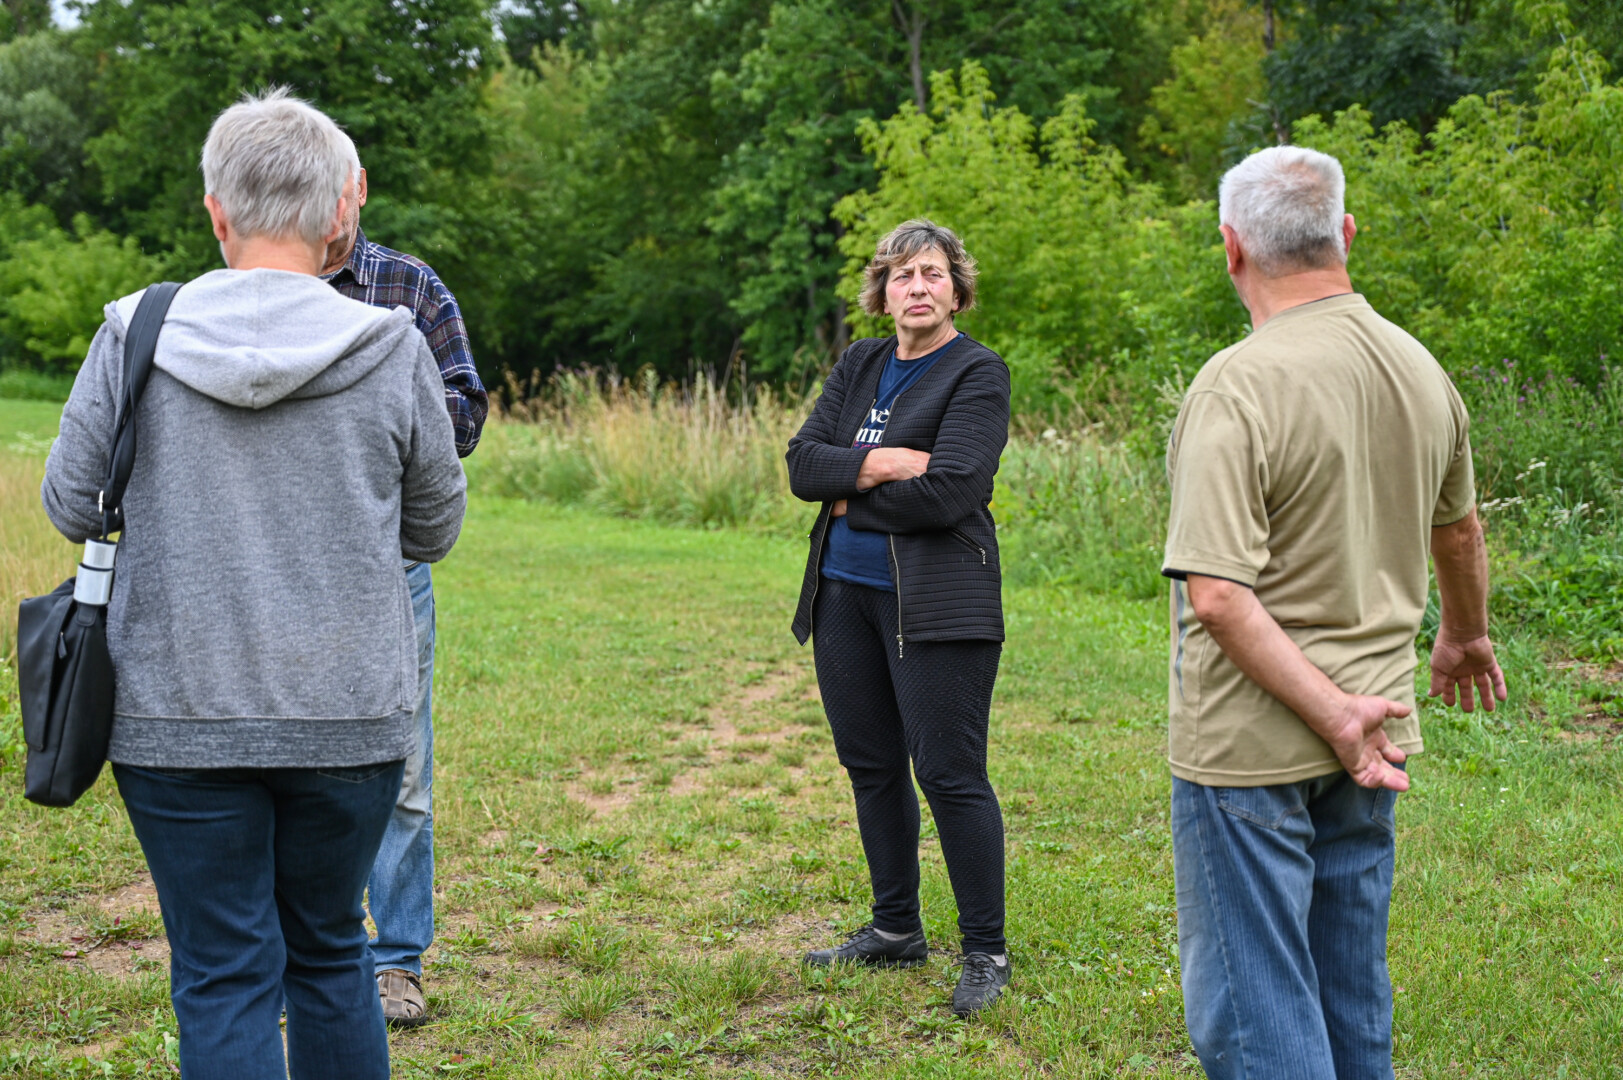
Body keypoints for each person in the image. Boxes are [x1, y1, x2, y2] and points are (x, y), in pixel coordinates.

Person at [40, 88, 467, 1080]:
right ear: (337, 216)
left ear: (216, 211)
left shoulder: (136, 333)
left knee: (222, 973)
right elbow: (435, 528)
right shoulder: (392, 346)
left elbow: (70, 503)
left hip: (176, 715)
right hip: (350, 718)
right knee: (332, 954)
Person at [1161, 146, 1506, 1079]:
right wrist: (1464, 634)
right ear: (1344, 233)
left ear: (1230, 247)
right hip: (1375, 732)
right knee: (1348, 989)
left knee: (1256, 1010)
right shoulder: (1418, 368)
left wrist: (1331, 714)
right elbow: (1459, 530)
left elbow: (1217, 594)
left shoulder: (1236, 383)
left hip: (1253, 747)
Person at [785, 219, 1012, 1016]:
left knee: (948, 772)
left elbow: (952, 490)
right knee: (871, 765)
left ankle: (985, 950)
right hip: (841, 596)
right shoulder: (860, 363)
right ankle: (894, 929)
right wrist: (879, 465)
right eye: (901, 275)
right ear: (881, 293)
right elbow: (800, 464)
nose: (917, 287)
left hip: (938, 604)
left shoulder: (976, 372)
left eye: (933, 273)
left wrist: (846, 494)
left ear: (957, 291)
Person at [319, 134, 488, 1028]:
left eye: (337, 187)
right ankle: (313, 951)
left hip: (392, 562)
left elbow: (465, 414)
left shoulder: (409, 287)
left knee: (402, 769)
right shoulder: (253, 286)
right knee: (292, 759)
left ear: (359, 189)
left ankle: (395, 961)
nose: (326, 205)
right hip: (277, 564)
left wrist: (374, 399)